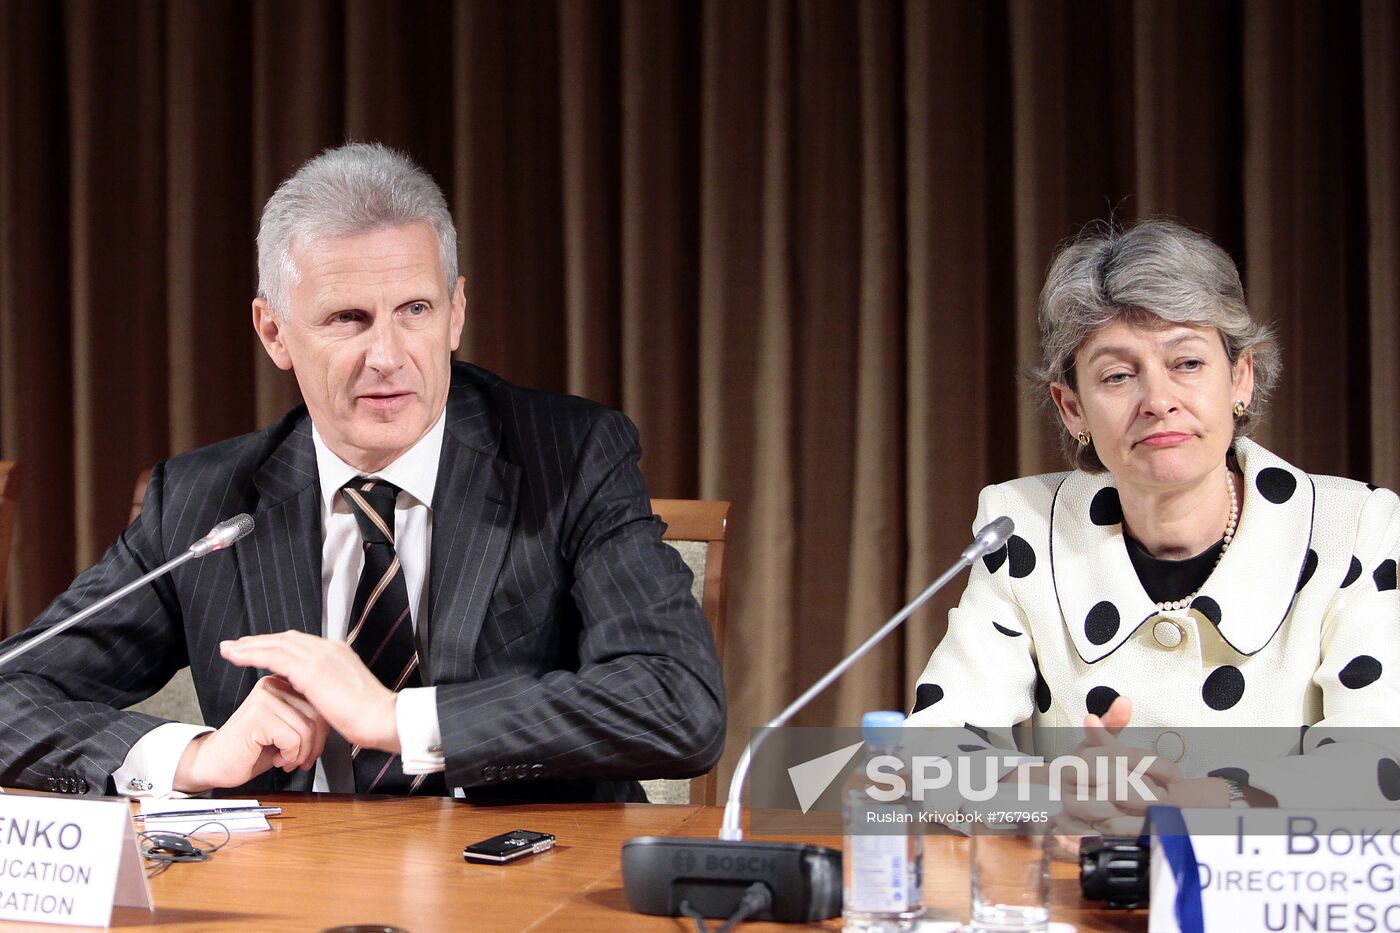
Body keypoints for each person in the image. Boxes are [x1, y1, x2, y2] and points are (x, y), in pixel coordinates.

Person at [0, 142, 725, 802]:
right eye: (348, 317)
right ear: (273, 331)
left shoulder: (568, 458)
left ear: (456, 313)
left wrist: (399, 718)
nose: (387, 354)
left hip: (520, 883)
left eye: (414, 309)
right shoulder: (202, 502)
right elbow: (11, 692)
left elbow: (677, 702)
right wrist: (195, 756)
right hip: (293, 887)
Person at [908, 218, 1400, 830]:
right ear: (1072, 408)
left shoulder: (1352, 527)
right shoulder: (1025, 529)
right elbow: (930, 755)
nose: (1157, 399)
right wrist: (1051, 792)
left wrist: (1192, 806)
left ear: (1239, 379)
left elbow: (1381, 768)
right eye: (1118, 375)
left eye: (1188, 363)